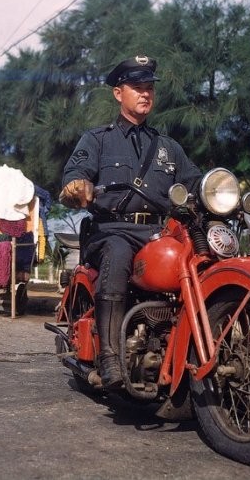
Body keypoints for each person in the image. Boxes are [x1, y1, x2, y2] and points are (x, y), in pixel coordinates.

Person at [59, 55, 202, 387]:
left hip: (156, 232)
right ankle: (110, 356)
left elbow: (193, 184)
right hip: (111, 229)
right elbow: (74, 176)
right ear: (117, 93)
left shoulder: (168, 147)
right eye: (137, 87)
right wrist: (78, 187)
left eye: (149, 87)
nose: (145, 93)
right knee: (119, 251)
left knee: (196, 257)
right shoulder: (97, 139)